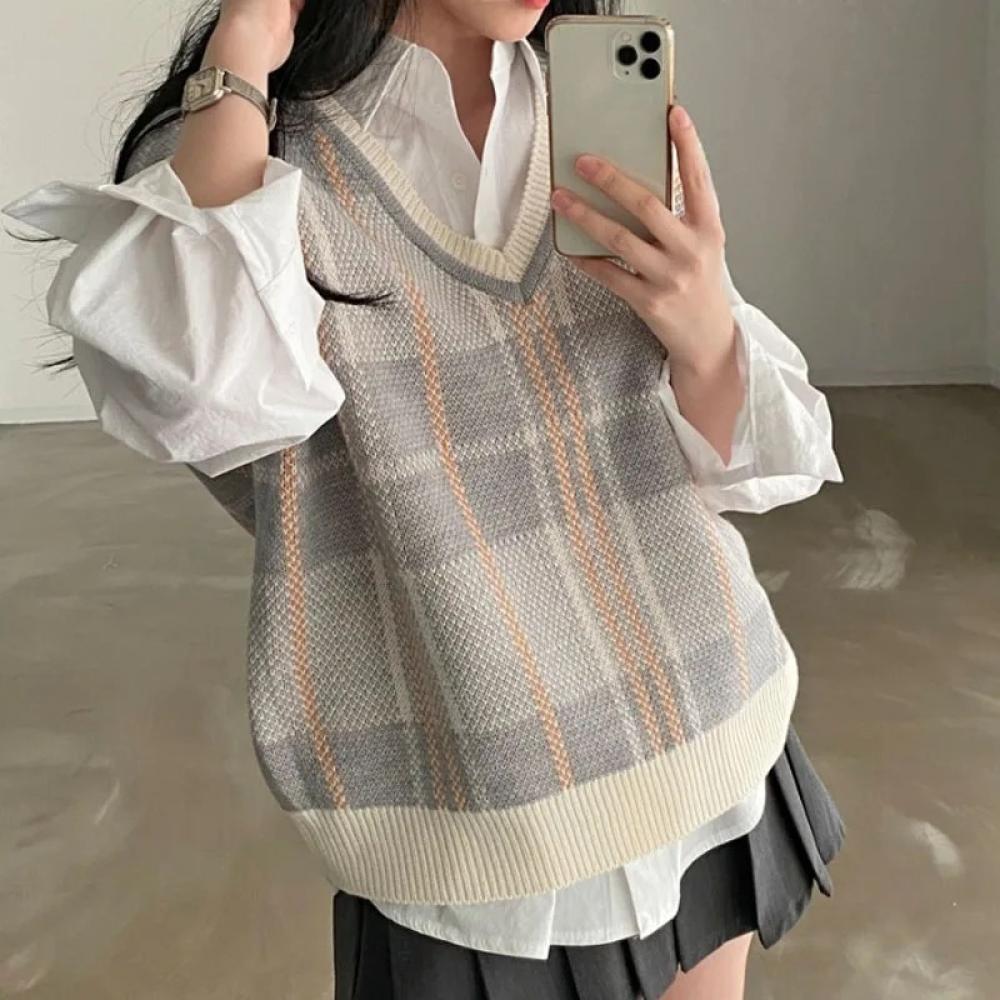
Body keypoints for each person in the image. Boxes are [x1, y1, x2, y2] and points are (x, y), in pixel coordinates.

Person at [2, 1, 846, 998]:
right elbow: (208, 405)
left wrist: (706, 331)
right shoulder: (246, 152)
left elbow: (746, 462)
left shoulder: (595, 113)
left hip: (704, 726)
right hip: (463, 808)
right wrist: (241, 56)